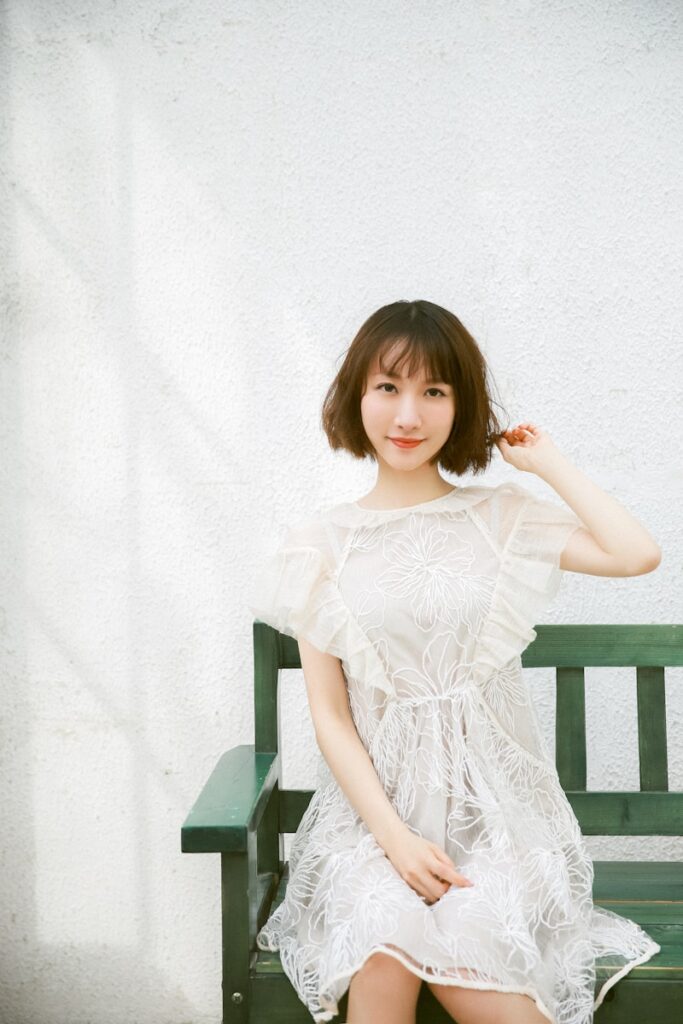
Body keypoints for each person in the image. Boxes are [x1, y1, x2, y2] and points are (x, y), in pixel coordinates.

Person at [247, 299, 662, 1024]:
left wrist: (547, 464)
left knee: (473, 954)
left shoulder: (499, 518)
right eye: (387, 387)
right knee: (378, 951)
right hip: (371, 827)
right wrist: (396, 841)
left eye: (433, 392)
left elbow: (634, 555)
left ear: (460, 405)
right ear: (356, 396)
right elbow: (332, 719)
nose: (407, 414)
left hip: (495, 824)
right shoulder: (318, 547)